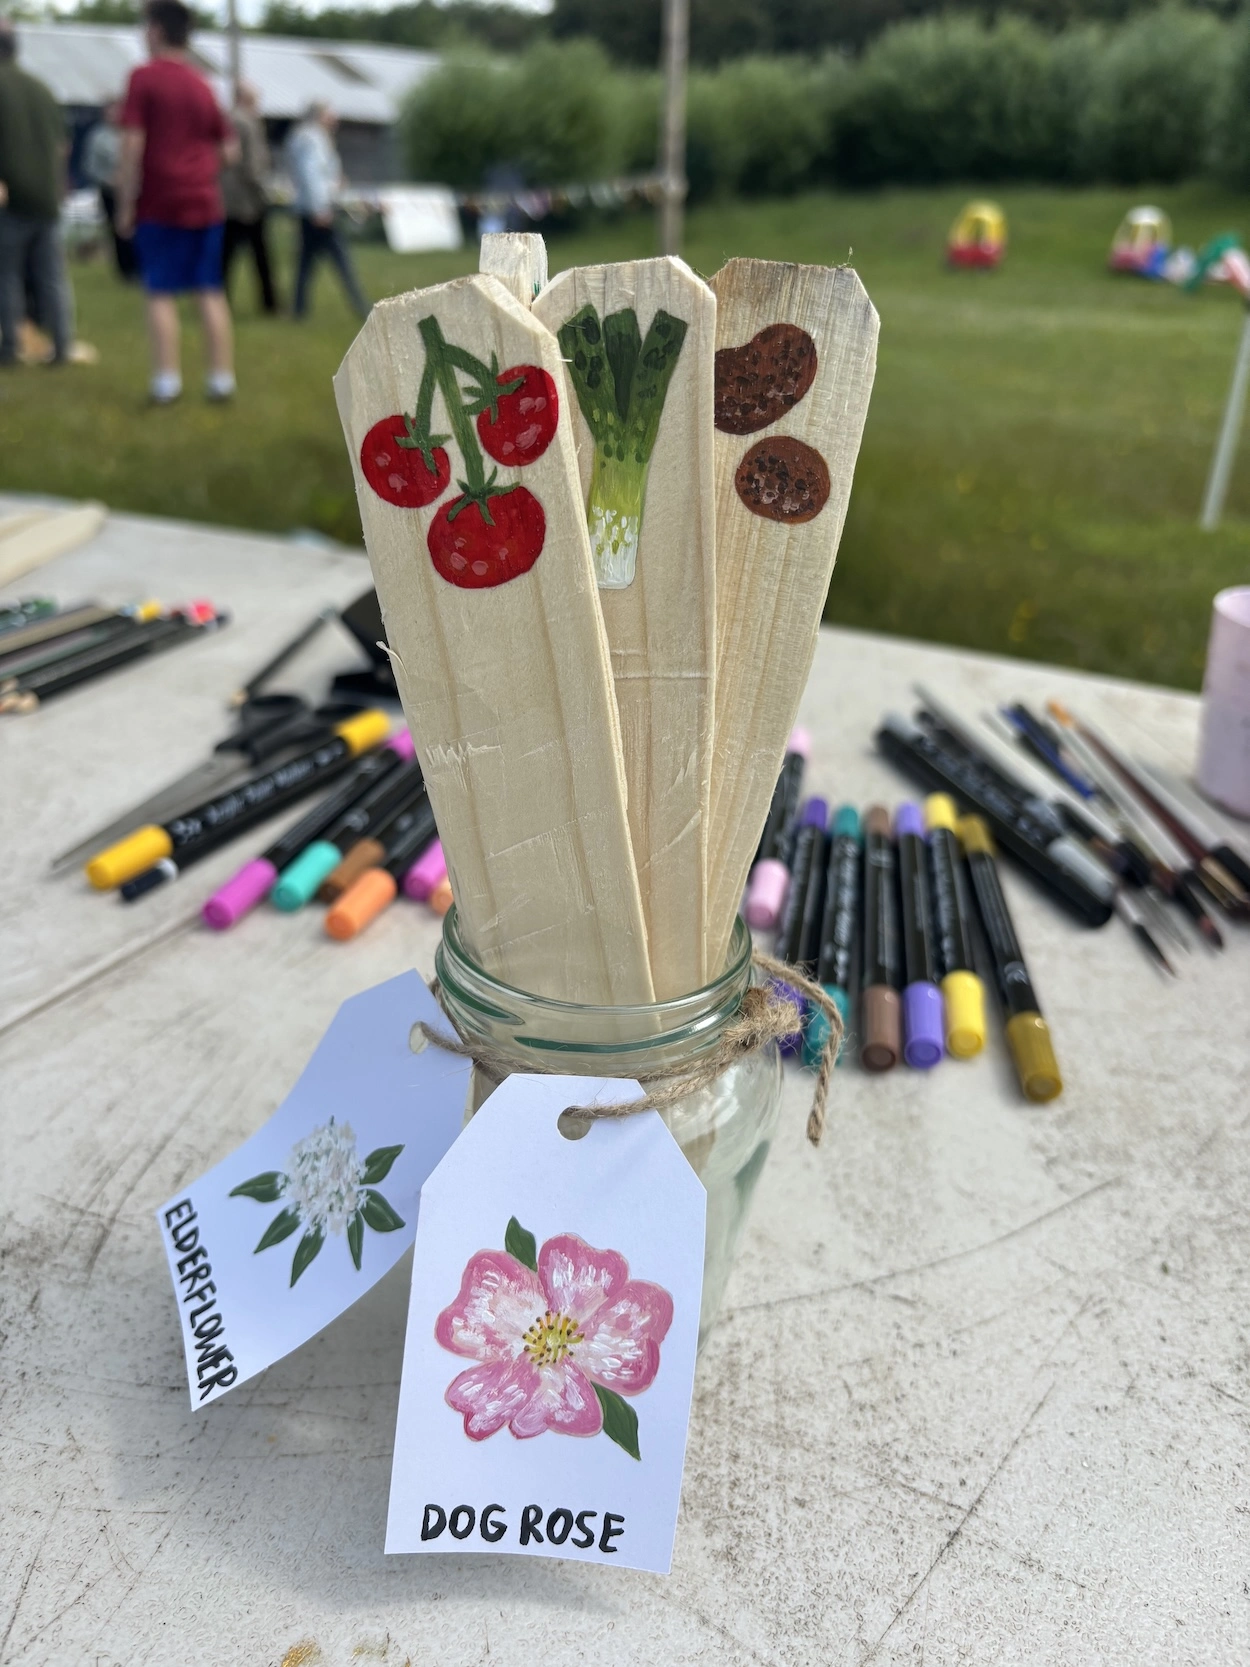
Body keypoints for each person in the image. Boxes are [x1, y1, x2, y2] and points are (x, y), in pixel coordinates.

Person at [115, 0, 237, 404]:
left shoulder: (143, 78)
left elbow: (133, 142)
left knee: (161, 291)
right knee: (209, 289)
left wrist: (125, 201)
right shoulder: (204, 84)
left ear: (155, 30)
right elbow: (230, 149)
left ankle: (166, 384)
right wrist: (201, 168)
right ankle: (221, 381)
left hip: (159, 201)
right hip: (204, 200)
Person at [0, 18, 73, 368]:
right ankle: (61, 345)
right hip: (47, 197)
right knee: (52, 278)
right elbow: (62, 146)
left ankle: (10, 346)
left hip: (10, 197)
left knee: (7, 275)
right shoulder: (42, 89)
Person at [286, 103, 368, 321]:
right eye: (329, 115)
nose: (335, 119)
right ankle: (361, 307)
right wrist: (319, 209)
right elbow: (311, 176)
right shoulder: (311, 139)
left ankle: (299, 309)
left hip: (314, 209)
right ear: (319, 116)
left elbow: (321, 174)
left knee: (306, 263)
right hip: (318, 211)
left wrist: (335, 182)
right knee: (340, 261)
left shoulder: (311, 138)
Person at [221, 81, 278, 315]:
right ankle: (269, 304)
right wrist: (265, 191)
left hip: (227, 198)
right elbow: (253, 165)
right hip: (248, 200)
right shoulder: (246, 122)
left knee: (225, 256)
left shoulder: (227, 120)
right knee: (261, 255)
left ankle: (218, 298)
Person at [82, 100, 138, 282]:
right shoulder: (98, 137)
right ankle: (125, 271)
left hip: (134, 189)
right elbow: (90, 166)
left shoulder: (132, 133)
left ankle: (140, 266)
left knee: (137, 229)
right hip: (110, 191)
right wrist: (108, 179)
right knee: (117, 229)